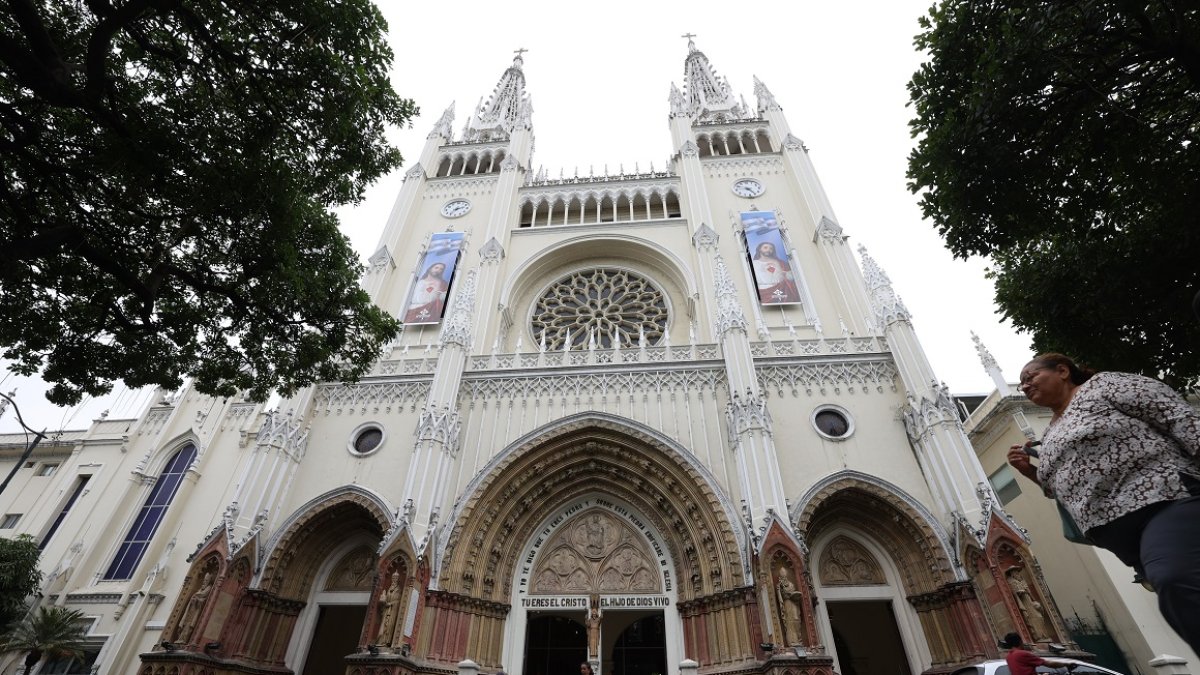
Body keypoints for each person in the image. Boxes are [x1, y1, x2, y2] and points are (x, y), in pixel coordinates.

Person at [1007, 353, 1200, 653]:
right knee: (1174, 591)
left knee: (1175, 580)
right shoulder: (1052, 430)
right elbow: (1058, 488)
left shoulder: (1104, 386)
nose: (1025, 385)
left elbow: (1175, 414)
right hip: (1124, 537)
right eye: (1021, 384)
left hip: (1165, 497)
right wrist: (1030, 471)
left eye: (1030, 376)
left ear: (1062, 371)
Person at [1000, 632, 1074, 675]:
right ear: (1020, 641)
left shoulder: (1009, 656)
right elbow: (1049, 664)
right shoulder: (1023, 654)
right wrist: (1066, 664)